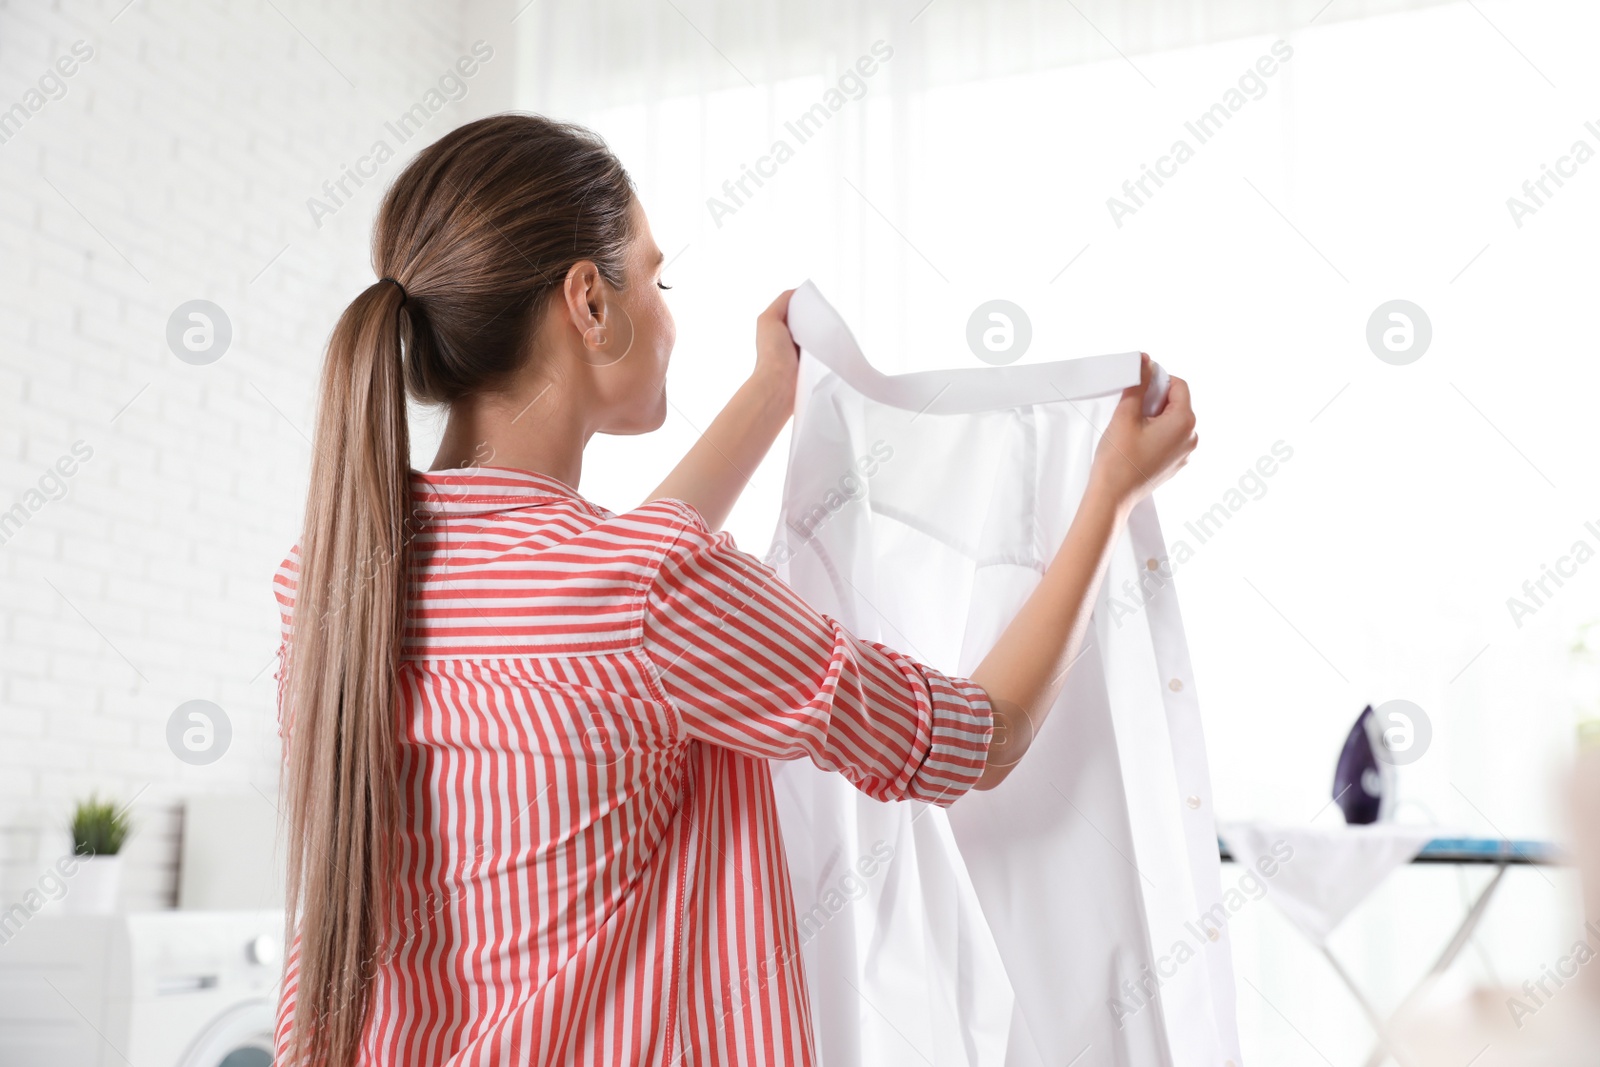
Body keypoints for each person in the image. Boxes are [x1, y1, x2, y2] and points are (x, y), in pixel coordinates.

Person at [272, 113, 1197, 1067]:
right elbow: (979, 737)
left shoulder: (331, 581)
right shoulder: (640, 593)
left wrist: (769, 394)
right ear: (589, 302)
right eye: (656, 276)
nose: (669, 309)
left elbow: (615, 591)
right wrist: (1110, 497)